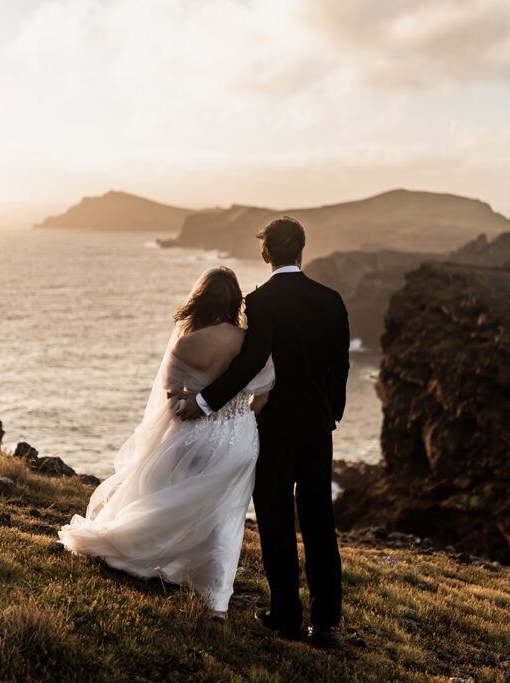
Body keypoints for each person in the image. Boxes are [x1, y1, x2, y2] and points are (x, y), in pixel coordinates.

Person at [58, 266, 273, 619]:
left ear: (199, 300)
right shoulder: (249, 343)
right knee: (227, 515)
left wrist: (200, 409)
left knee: (172, 499)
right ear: (235, 300)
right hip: (240, 439)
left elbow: (173, 401)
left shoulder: (186, 344)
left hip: (196, 436)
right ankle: (217, 600)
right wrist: (238, 418)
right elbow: (261, 397)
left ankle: (144, 551)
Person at [176, 216, 350, 645]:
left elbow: (251, 363)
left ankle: (286, 616)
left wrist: (204, 402)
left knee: (274, 519)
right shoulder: (331, 299)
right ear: (301, 251)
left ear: (265, 254)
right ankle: (325, 623)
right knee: (318, 521)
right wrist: (333, 412)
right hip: (317, 425)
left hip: (273, 427)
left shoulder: (261, 301)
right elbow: (340, 365)